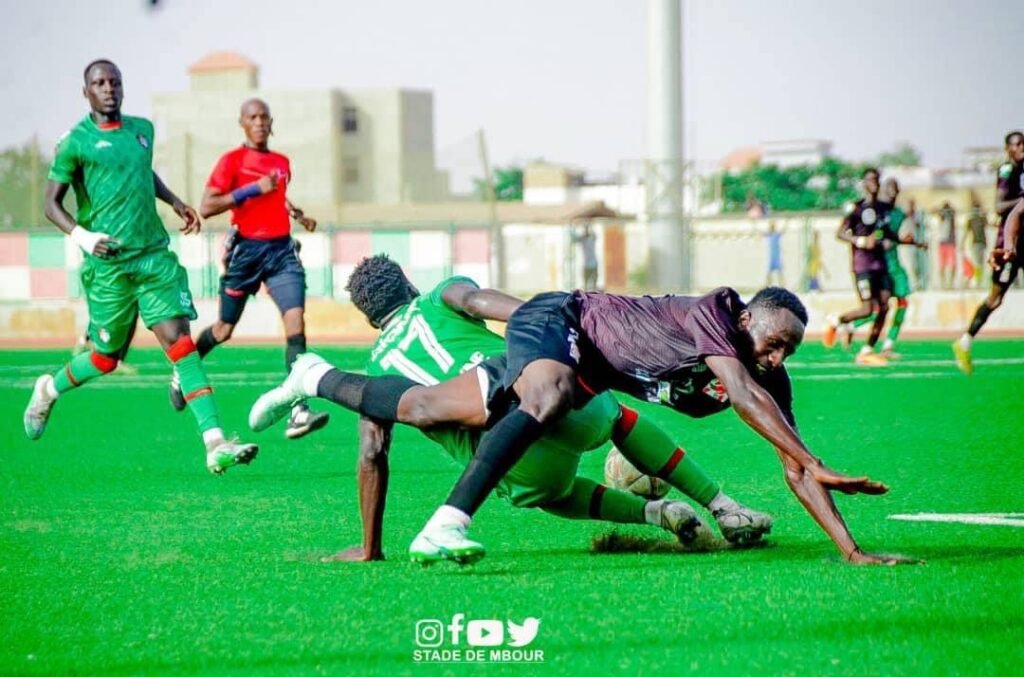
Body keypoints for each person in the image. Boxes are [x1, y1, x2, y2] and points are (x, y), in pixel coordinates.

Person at [253, 282, 907, 566]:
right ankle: (445, 522)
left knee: (479, 403)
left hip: (588, 372)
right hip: (561, 319)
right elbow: (737, 392)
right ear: (746, 320)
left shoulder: (768, 381)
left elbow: (795, 462)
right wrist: (522, 342)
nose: (778, 355)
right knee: (539, 397)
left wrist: (849, 547)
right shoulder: (716, 313)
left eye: (790, 349)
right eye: (774, 340)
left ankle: (312, 376)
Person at [281, 255, 772, 561]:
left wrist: (369, 549)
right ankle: (724, 508)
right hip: (565, 404)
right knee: (618, 416)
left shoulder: (376, 376)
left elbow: (372, 454)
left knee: (547, 492)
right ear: (409, 285)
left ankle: (655, 512)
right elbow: (480, 302)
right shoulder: (440, 294)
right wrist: (557, 329)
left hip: (517, 461)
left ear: (369, 318)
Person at [23, 59, 257, 474]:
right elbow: (50, 204)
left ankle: (215, 442)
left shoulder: (141, 130)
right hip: (109, 266)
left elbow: (142, 173)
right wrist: (84, 236)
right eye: (99, 82)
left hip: (152, 258)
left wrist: (175, 202)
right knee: (104, 358)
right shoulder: (75, 143)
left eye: (115, 81)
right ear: (86, 92)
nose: (108, 88)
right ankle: (48, 388)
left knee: (180, 343)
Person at [168, 98, 328, 439]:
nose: (259, 122)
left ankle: (298, 410)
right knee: (224, 329)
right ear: (242, 123)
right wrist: (253, 188)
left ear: (272, 122)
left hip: (281, 251)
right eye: (252, 117)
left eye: (264, 116)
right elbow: (208, 206)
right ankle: (183, 372)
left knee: (296, 321)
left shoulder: (282, 162)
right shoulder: (232, 162)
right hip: (246, 253)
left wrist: (298, 214)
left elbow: (278, 195)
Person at [953, 131, 1024, 374]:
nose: (1022, 147)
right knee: (995, 298)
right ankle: (965, 341)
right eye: (1017, 144)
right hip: (1009, 243)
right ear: (1008, 149)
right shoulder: (1007, 171)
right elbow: (999, 205)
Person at [842, 178, 927, 357]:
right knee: (877, 308)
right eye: (889, 188)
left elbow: (896, 236)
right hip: (880, 266)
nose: (892, 192)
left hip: (893, 266)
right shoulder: (876, 212)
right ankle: (853, 327)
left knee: (900, 304)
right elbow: (875, 235)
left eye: (895, 188)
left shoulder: (896, 213)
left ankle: (887, 345)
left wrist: (915, 241)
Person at [822, 168, 897, 366]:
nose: (874, 183)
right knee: (866, 310)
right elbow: (840, 233)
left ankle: (867, 350)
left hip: (880, 265)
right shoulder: (857, 208)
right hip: (862, 265)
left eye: (877, 180)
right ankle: (837, 320)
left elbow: (885, 232)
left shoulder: (883, 208)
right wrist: (860, 241)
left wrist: (903, 240)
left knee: (885, 306)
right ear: (864, 183)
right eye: (870, 180)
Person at [962, 192, 988, 289]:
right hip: (975, 243)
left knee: (979, 263)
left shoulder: (981, 218)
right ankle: (976, 281)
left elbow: (987, 223)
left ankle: (979, 281)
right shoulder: (971, 219)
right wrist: (962, 244)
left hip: (981, 243)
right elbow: (966, 232)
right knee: (977, 263)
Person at [908, 198, 930, 290]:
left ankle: (923, 284)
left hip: (920, 245)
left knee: (922, 265)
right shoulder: (907, 216)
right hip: (912, 246)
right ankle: (916, 284)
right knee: (913, 265)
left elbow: (921, 226)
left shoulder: (919, 214)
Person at [936, 202, 958, 289]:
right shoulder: (942, 218)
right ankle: (944, 283)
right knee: (942, 264)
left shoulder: (951, 217)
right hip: (943, 243)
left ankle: (950, 283)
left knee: (952, 264)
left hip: (949, 243)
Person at [571, 223, 599, 290]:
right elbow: (574, 239)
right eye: (586, 230)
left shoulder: (592, 238)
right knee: (586, 284)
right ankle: (587, 296)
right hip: (587, 264)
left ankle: (593, 296)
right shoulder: (583, 239)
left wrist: (591, 227)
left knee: (594, 284)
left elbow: (594, 234)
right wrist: (572, 228)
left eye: (587, 230)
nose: (586, 231)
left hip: (593, 264)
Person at [765, 222, 783, 287]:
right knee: (769, 273)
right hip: (771, 257)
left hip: (776, 256)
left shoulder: (776, 234)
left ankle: (782, 286)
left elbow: (783, 231)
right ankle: (767, 285)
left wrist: (787, 222)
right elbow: (760, 233)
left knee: (779, 272)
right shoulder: (769, 234)